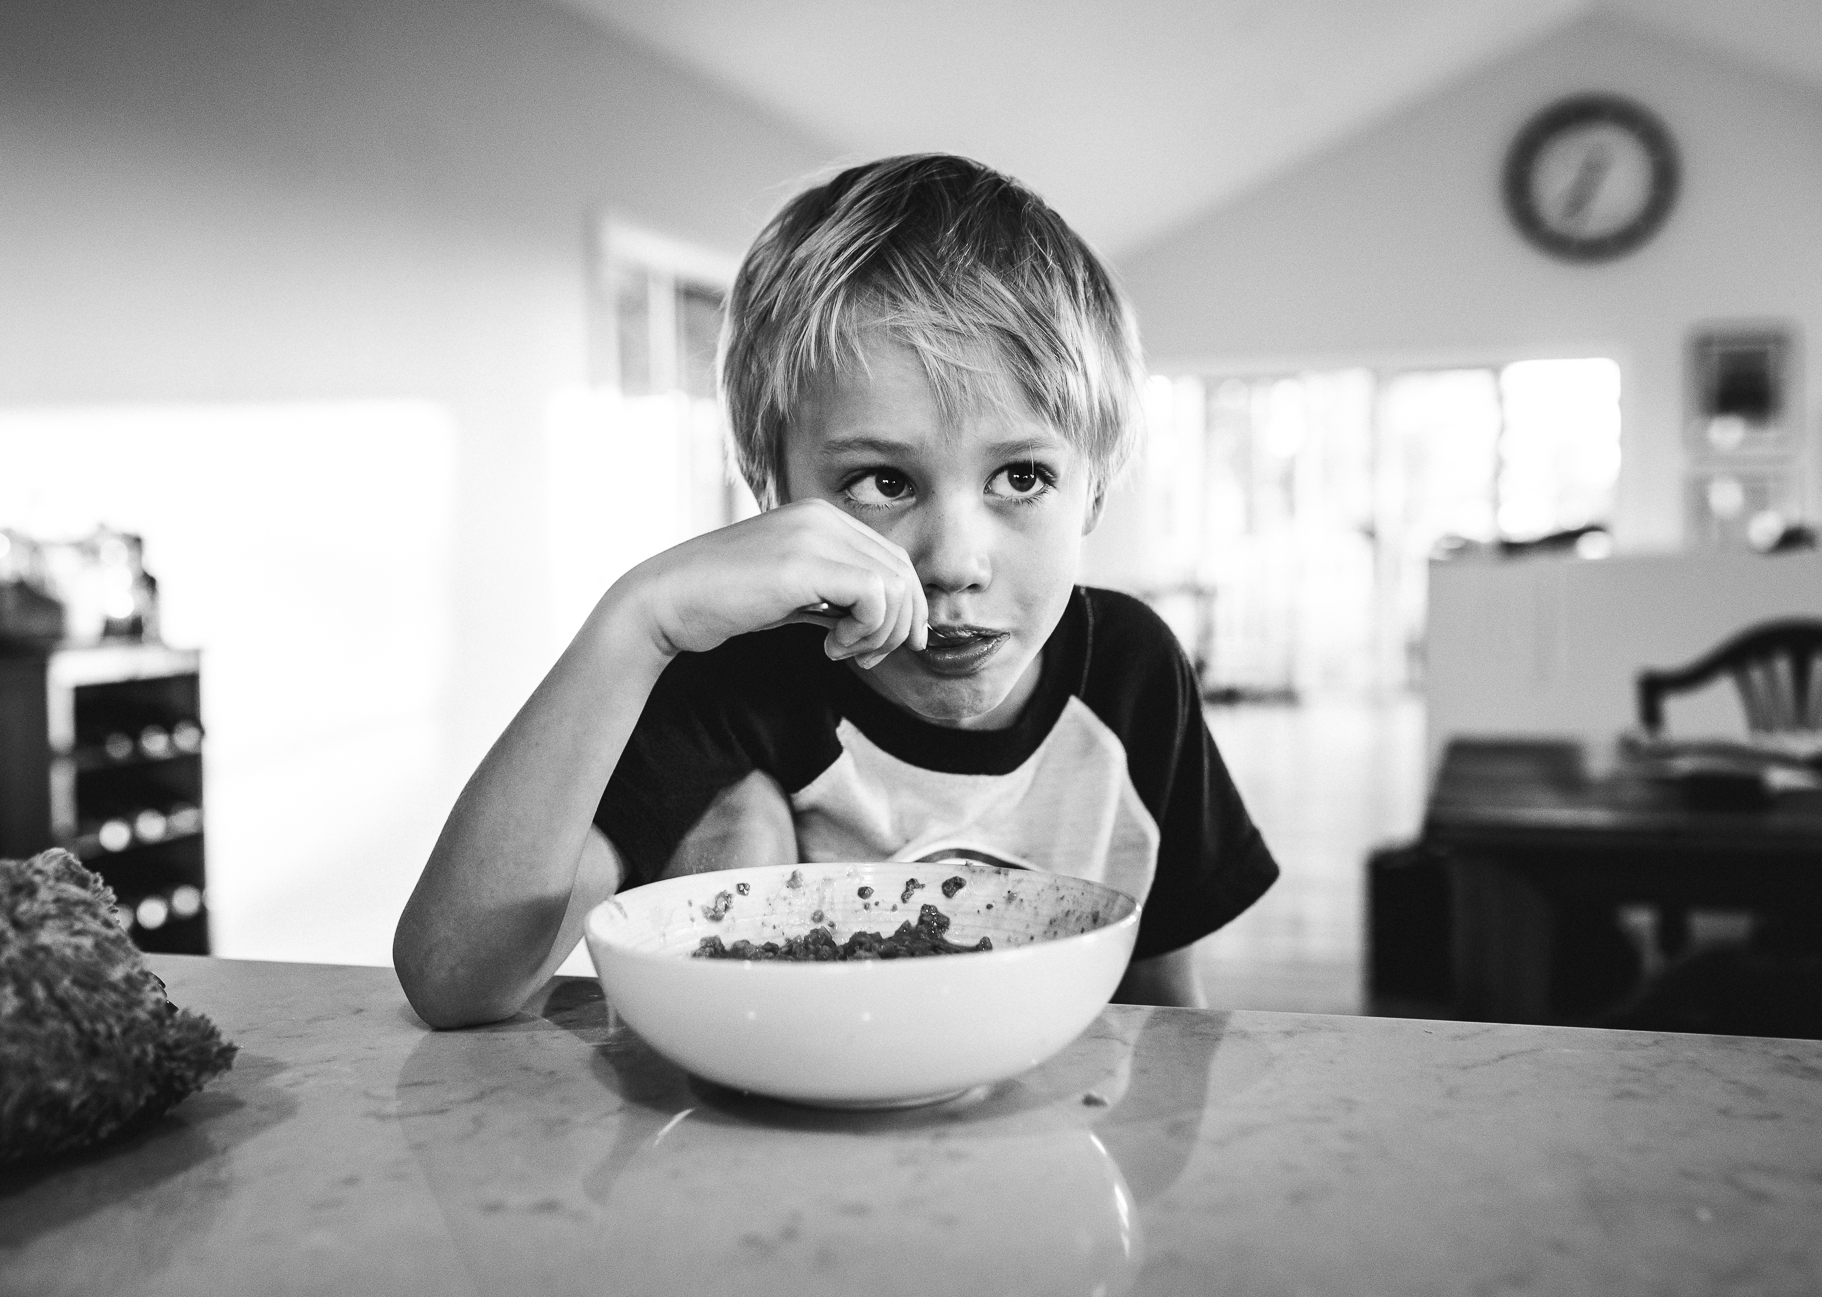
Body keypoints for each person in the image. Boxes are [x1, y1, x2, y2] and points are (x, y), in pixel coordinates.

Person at [395, 154, 1277, 1028]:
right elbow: (456, 975)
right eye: (883, 483)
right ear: (772, 490)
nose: (955, 562)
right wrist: (638, 620)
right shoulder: (736, 681)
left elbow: (1168, 1011)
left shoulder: (1132, 672)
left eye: (1021, 476)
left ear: (1094, 487)